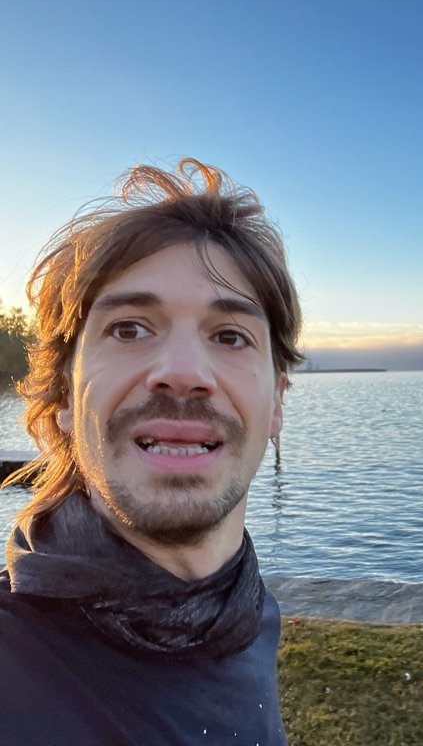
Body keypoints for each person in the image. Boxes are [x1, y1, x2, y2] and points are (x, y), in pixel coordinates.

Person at [0, 159, 303, 745]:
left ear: (276, 404)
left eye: (230, 336)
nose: (184, 372)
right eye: (130, 329)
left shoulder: (250, 613)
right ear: (64, 396)